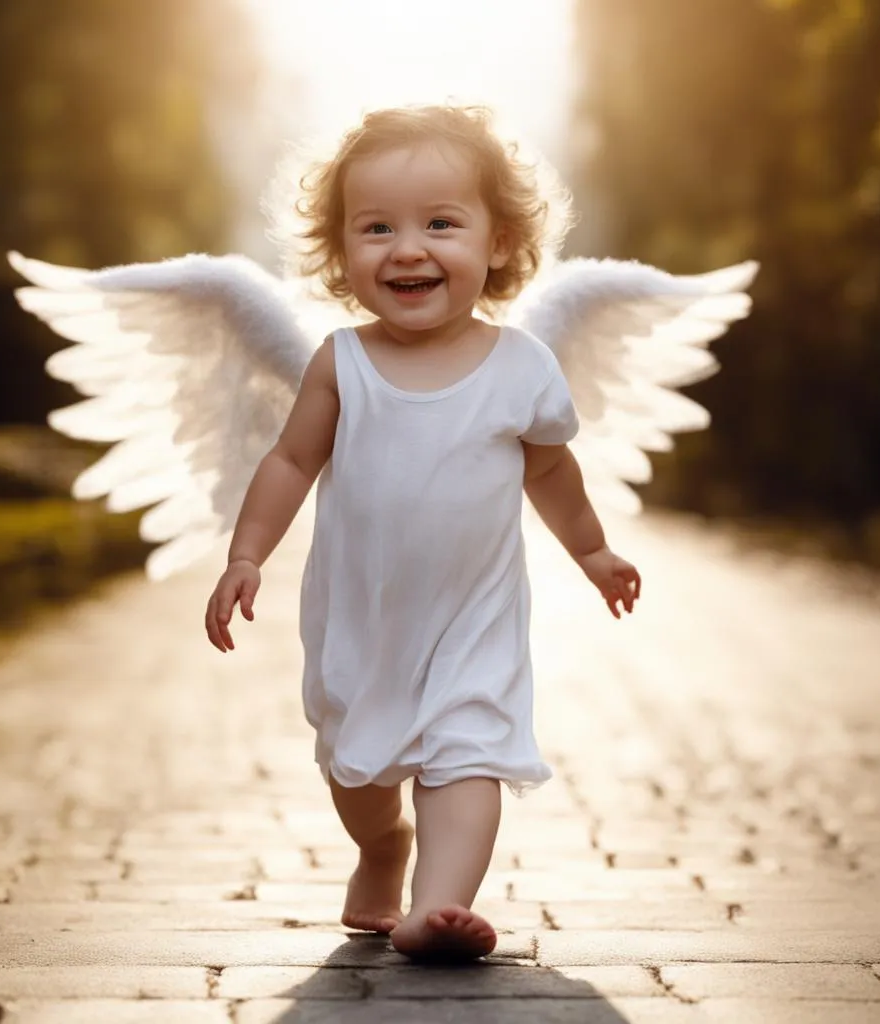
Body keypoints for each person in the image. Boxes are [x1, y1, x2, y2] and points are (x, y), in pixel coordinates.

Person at [204, 104, 641, 962]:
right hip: (362, 621)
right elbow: (291, 462)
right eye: (376, 228)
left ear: (501, 242)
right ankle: (383, 847)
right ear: (340, 254)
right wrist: (246, 554)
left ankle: (438, 907)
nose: (407, 248)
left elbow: (549, 470)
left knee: (470, 751)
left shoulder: (523, 368)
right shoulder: (342, 362)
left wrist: (592, 551)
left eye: (441, 223)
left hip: (473, 617)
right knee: (357, 770)